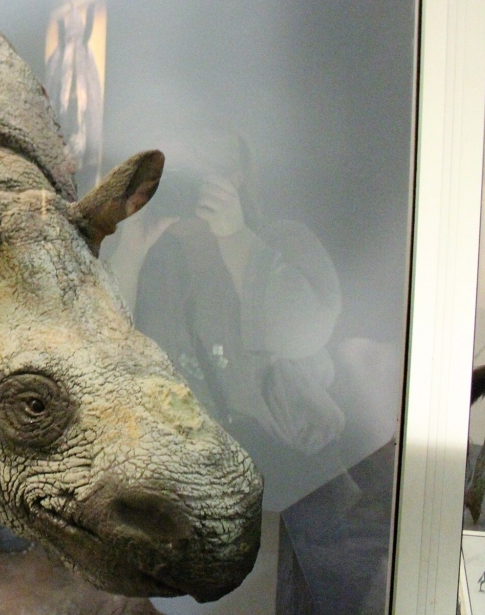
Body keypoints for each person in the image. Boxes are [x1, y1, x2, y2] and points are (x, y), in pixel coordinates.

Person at [113, 129, 345, 507]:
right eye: (167, 177)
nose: (180, 188)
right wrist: (130, 251)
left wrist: (236, 238)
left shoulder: (282, 241)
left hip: (289, 485)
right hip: (183, 486)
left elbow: (303, 333)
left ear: (235, 179)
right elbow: (103, 353)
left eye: (193, 175)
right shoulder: (153, 262)